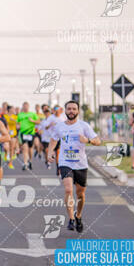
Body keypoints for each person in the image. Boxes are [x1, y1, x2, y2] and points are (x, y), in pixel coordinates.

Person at [48, 100, 101, 233]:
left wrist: (88, 141)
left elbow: (98, 141)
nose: (71, 111)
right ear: (65, 111)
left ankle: (78, 216)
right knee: (68, 190)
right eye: (69, 109)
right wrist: (50, 152)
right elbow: (54, 139)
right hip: (65, 162)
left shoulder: (84, 126)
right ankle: (71, 219)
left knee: (80, 194)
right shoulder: (59, 126)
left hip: (81, 164)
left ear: (78, 111)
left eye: (74, 109)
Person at [17, 101, 40, 170]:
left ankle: (30, 161)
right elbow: (17, 123)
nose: (25, 107)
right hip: (23, 133)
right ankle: (25, 163)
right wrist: (17, 126)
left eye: (26, 106)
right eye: (24, 106)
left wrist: (32, 121)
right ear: (23, 107)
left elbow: (38, 122)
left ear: (28, 107)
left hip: (31, 133)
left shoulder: (32, 114)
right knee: (24, 147)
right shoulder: (20, 115)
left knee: (30, 148)